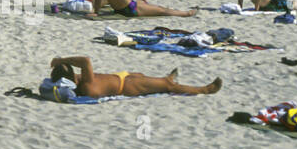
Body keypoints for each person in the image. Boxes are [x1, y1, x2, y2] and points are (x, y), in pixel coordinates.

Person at [47, 56, 221, 98]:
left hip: (123, 78)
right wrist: (60, 60)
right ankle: (205, 89)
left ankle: (165, 77)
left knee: (146, 76)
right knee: (169, 86)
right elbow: (86, 60)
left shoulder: (79, 80)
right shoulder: (86, 85)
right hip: (127, 86)